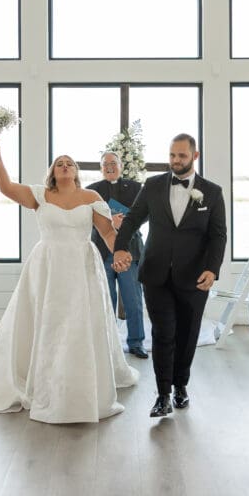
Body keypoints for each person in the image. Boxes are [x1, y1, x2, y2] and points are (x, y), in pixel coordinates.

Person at [0, 141, 139, 424]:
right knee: (47, 322)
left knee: (80, 322)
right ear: (52, 171)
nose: (65, 166)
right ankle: (43, 381)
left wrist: (120, 255)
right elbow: (6, 187)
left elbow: (108, 233)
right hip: (47, 266)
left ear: (76, 171)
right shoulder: (41, 195)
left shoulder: (91, 196)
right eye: (59, 163)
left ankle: (80, 381)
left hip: (83, 265)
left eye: (69, 163)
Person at [113, 133, 227, 418]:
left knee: (187, 335)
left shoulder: (212, 192)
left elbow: (218, 236)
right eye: (172, 155)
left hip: (195, 276)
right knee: (163, 334)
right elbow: (132, 220)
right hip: (156, 274)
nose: (176, 161)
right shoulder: (152, 185)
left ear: (194, 156)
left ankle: (180, 387)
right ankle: (162, 394)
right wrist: (119, 249)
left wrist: (212, 269)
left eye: (182, 156)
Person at [87, 151, 147, 358]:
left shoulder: (137, 188)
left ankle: (136, 342)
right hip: (102, 252)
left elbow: (146, 214)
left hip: (130, 251)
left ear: (121, 166)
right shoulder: (91, 190)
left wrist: (126, 221)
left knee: (133, 300)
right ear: (101, 168)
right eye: (105, 164)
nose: (110, 167)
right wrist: (110, 221)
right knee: (106, 299)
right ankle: (108, 343)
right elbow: (86, 220)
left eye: (113, 163)